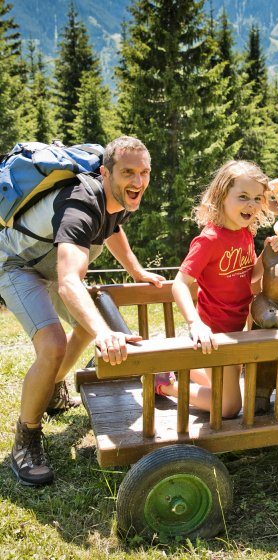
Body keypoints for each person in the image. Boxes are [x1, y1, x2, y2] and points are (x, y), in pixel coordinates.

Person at [0, 136, 165, 486]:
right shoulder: (81, 202)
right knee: (53, 344)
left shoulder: (113, 199)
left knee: (87, 324)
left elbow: (112, 228)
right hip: (16, 265)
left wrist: (136, 270)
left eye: (145, 172)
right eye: (128, 173)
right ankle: (26, 440)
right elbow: (69, 282)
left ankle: (54, 387)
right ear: (105, 173)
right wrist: (107, 334)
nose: (138, 181)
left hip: (48, 266)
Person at [155, 161, 278, 418]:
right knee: (229, 407)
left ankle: (173, 361)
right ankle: (166, 385)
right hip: (215, 334)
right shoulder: (209, 240)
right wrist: (195, 324)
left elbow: (250, 277)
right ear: (222, 196)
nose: (251, 204)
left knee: (225, 387)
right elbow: (180, 284)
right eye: (243, 197)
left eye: (257, 198)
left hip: (238, 331)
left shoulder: (245, 232)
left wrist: (266, 254)